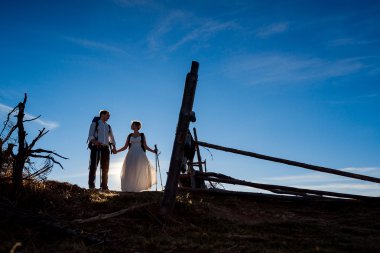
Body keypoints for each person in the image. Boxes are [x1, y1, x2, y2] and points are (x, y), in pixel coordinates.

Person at [115, 120, 157, 192]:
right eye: (132, 125)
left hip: (140, 154)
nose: (131, 126)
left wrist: (153, 151)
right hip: (131, 153)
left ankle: (138, 187)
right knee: (130, 169)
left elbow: (145, 146)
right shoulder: (129, 135)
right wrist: (117, 151)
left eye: (133, 124)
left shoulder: (142, 135)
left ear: (137, 126)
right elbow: (125, 147)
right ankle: (130, 188)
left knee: (139, 169)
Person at [87, 110, 116, 190]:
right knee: (93, 166)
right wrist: (95, 141)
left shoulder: (108, 126)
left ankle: (104, 186)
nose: (109, 117)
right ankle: (91, 186)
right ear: (102, 115)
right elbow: (90, 135)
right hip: (96, 147)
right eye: (107, 115)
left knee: (105, 167)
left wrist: (114, 147)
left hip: (106, 148)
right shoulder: (95, 123)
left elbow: (112, 137)